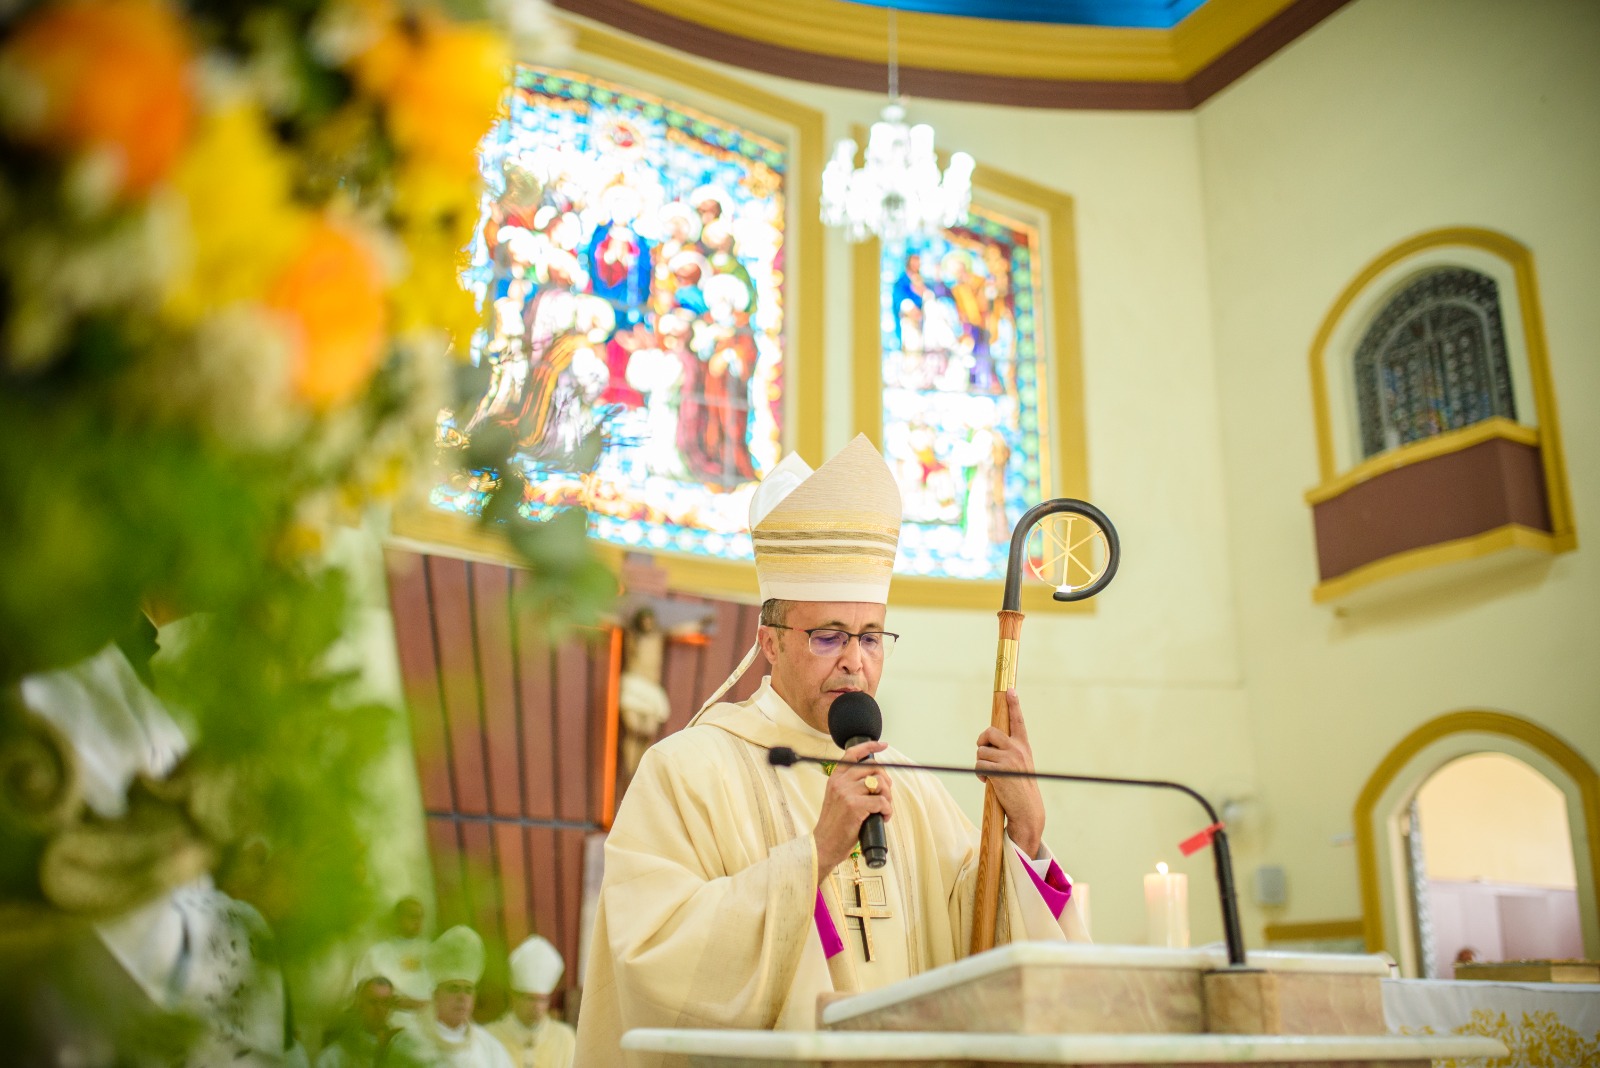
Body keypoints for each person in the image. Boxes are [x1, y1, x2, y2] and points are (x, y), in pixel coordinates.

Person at [575, 435, 1089, 1067]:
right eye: (828, 636)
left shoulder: (910, 783)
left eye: (872, 636)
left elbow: (976, 947)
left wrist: (1027, 836)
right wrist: (813, 858)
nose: (855, 659)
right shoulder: (687, 768)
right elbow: (651, 952)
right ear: (770, 642)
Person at [390, 927, 513, 1068]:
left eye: (468, 990)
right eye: (453, 988)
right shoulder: (409, 1044)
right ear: (436, 995)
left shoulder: (490, 1047)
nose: (462, 997)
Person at [487, 936, 576, 1068]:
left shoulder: (565, 1038)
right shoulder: (490, 1037)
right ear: (514, 998)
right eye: (530, 998)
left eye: (542, 999)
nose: (537, 1007)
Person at [354, 897, 434, 1012]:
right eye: (412, 916)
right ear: (398, 918)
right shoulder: (378, 952)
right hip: (395, 1015)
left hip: (431, 1014)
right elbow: (364, 992)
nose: (418, 921)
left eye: (421, 917)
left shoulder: (432, 950)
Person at [316, 974, 399, 1068]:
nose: (379, 1009)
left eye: (385, 1002)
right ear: (360, 1005)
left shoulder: (402, 1050)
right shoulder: (334, 1055)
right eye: (373, 1002)